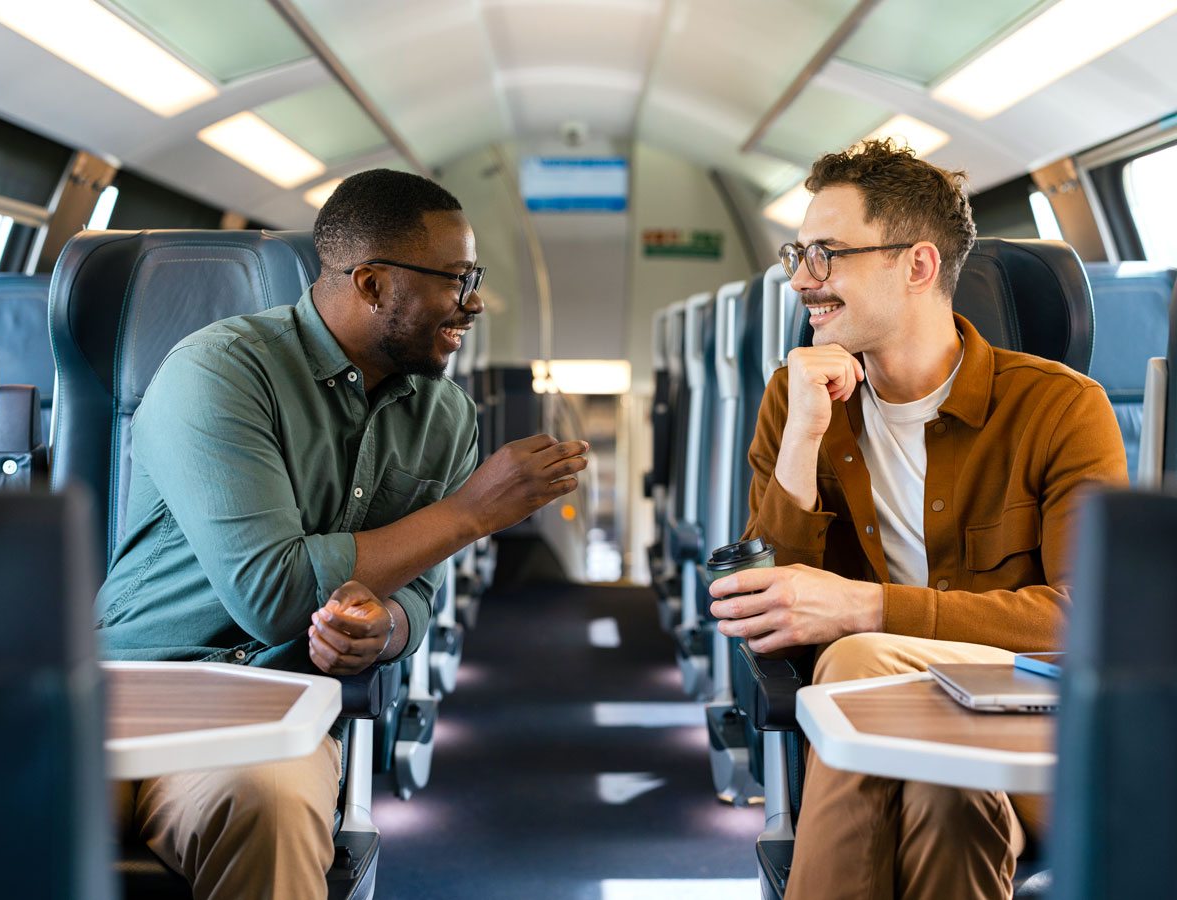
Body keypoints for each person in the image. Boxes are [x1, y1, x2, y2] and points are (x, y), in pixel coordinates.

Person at [97, 169, 588, 900]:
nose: (475, 301)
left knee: (269, 805)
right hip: (124, 692)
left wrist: (382, 630)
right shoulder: (224, 371)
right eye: (457, 279)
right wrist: (471, 513)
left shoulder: (445, 417)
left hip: (268, 712)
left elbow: (416, 596)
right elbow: (273, 594)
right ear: (372, 284)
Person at [708, 139, 1127, 899]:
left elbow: (1089, 621)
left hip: (1023, 743)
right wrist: (801, 437)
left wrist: (868, 611)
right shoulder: (795, 400)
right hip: (901, 755)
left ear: (919, 265)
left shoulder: (1061, 408)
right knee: (940, 793)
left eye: (827, 255)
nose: (801, 279)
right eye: (798, 255)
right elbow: (763, 615)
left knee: (856, 659)